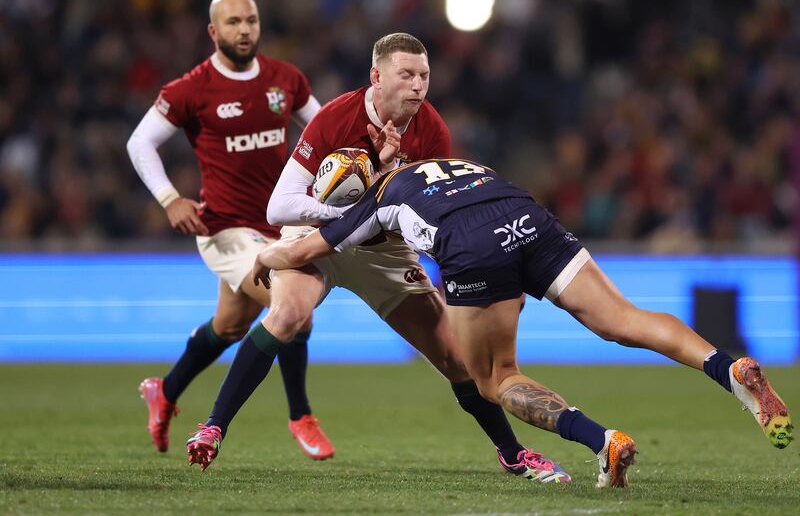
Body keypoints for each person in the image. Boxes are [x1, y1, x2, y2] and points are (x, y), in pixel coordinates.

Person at [247, 157, 794, 488]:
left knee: (493, 378)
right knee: (622, 319)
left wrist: (265, 256)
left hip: (471, 243)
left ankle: (602, 441)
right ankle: (727, 368)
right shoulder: (444, 162)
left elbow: (303, 252)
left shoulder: (374, 199)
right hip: (523, 212)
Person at [184, 33, 571, 484]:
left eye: (424, 76)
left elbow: (433, 215)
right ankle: (213, 426)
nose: (417, 86)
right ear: (377, 76)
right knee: (287, 313)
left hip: (383, 248)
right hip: (316, 236)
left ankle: (513, 454)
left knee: (455, 360)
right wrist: (346, 211)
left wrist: (388, 182)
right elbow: (279, 206)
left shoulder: (432, 130)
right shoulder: (336, 117)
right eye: (406, 75)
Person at [126, 0, 335, 460]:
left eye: (252, 21)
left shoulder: (286, 79)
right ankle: (301, 415)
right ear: (213, 31)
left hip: (278, 227)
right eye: (234, 22)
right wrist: (169, 198)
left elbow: (324, 130)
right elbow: (140, 144)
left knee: (229, 325)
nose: (244, 30)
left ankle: (166, 390)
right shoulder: (190, 89)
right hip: (223, 230)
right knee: (295, 306)